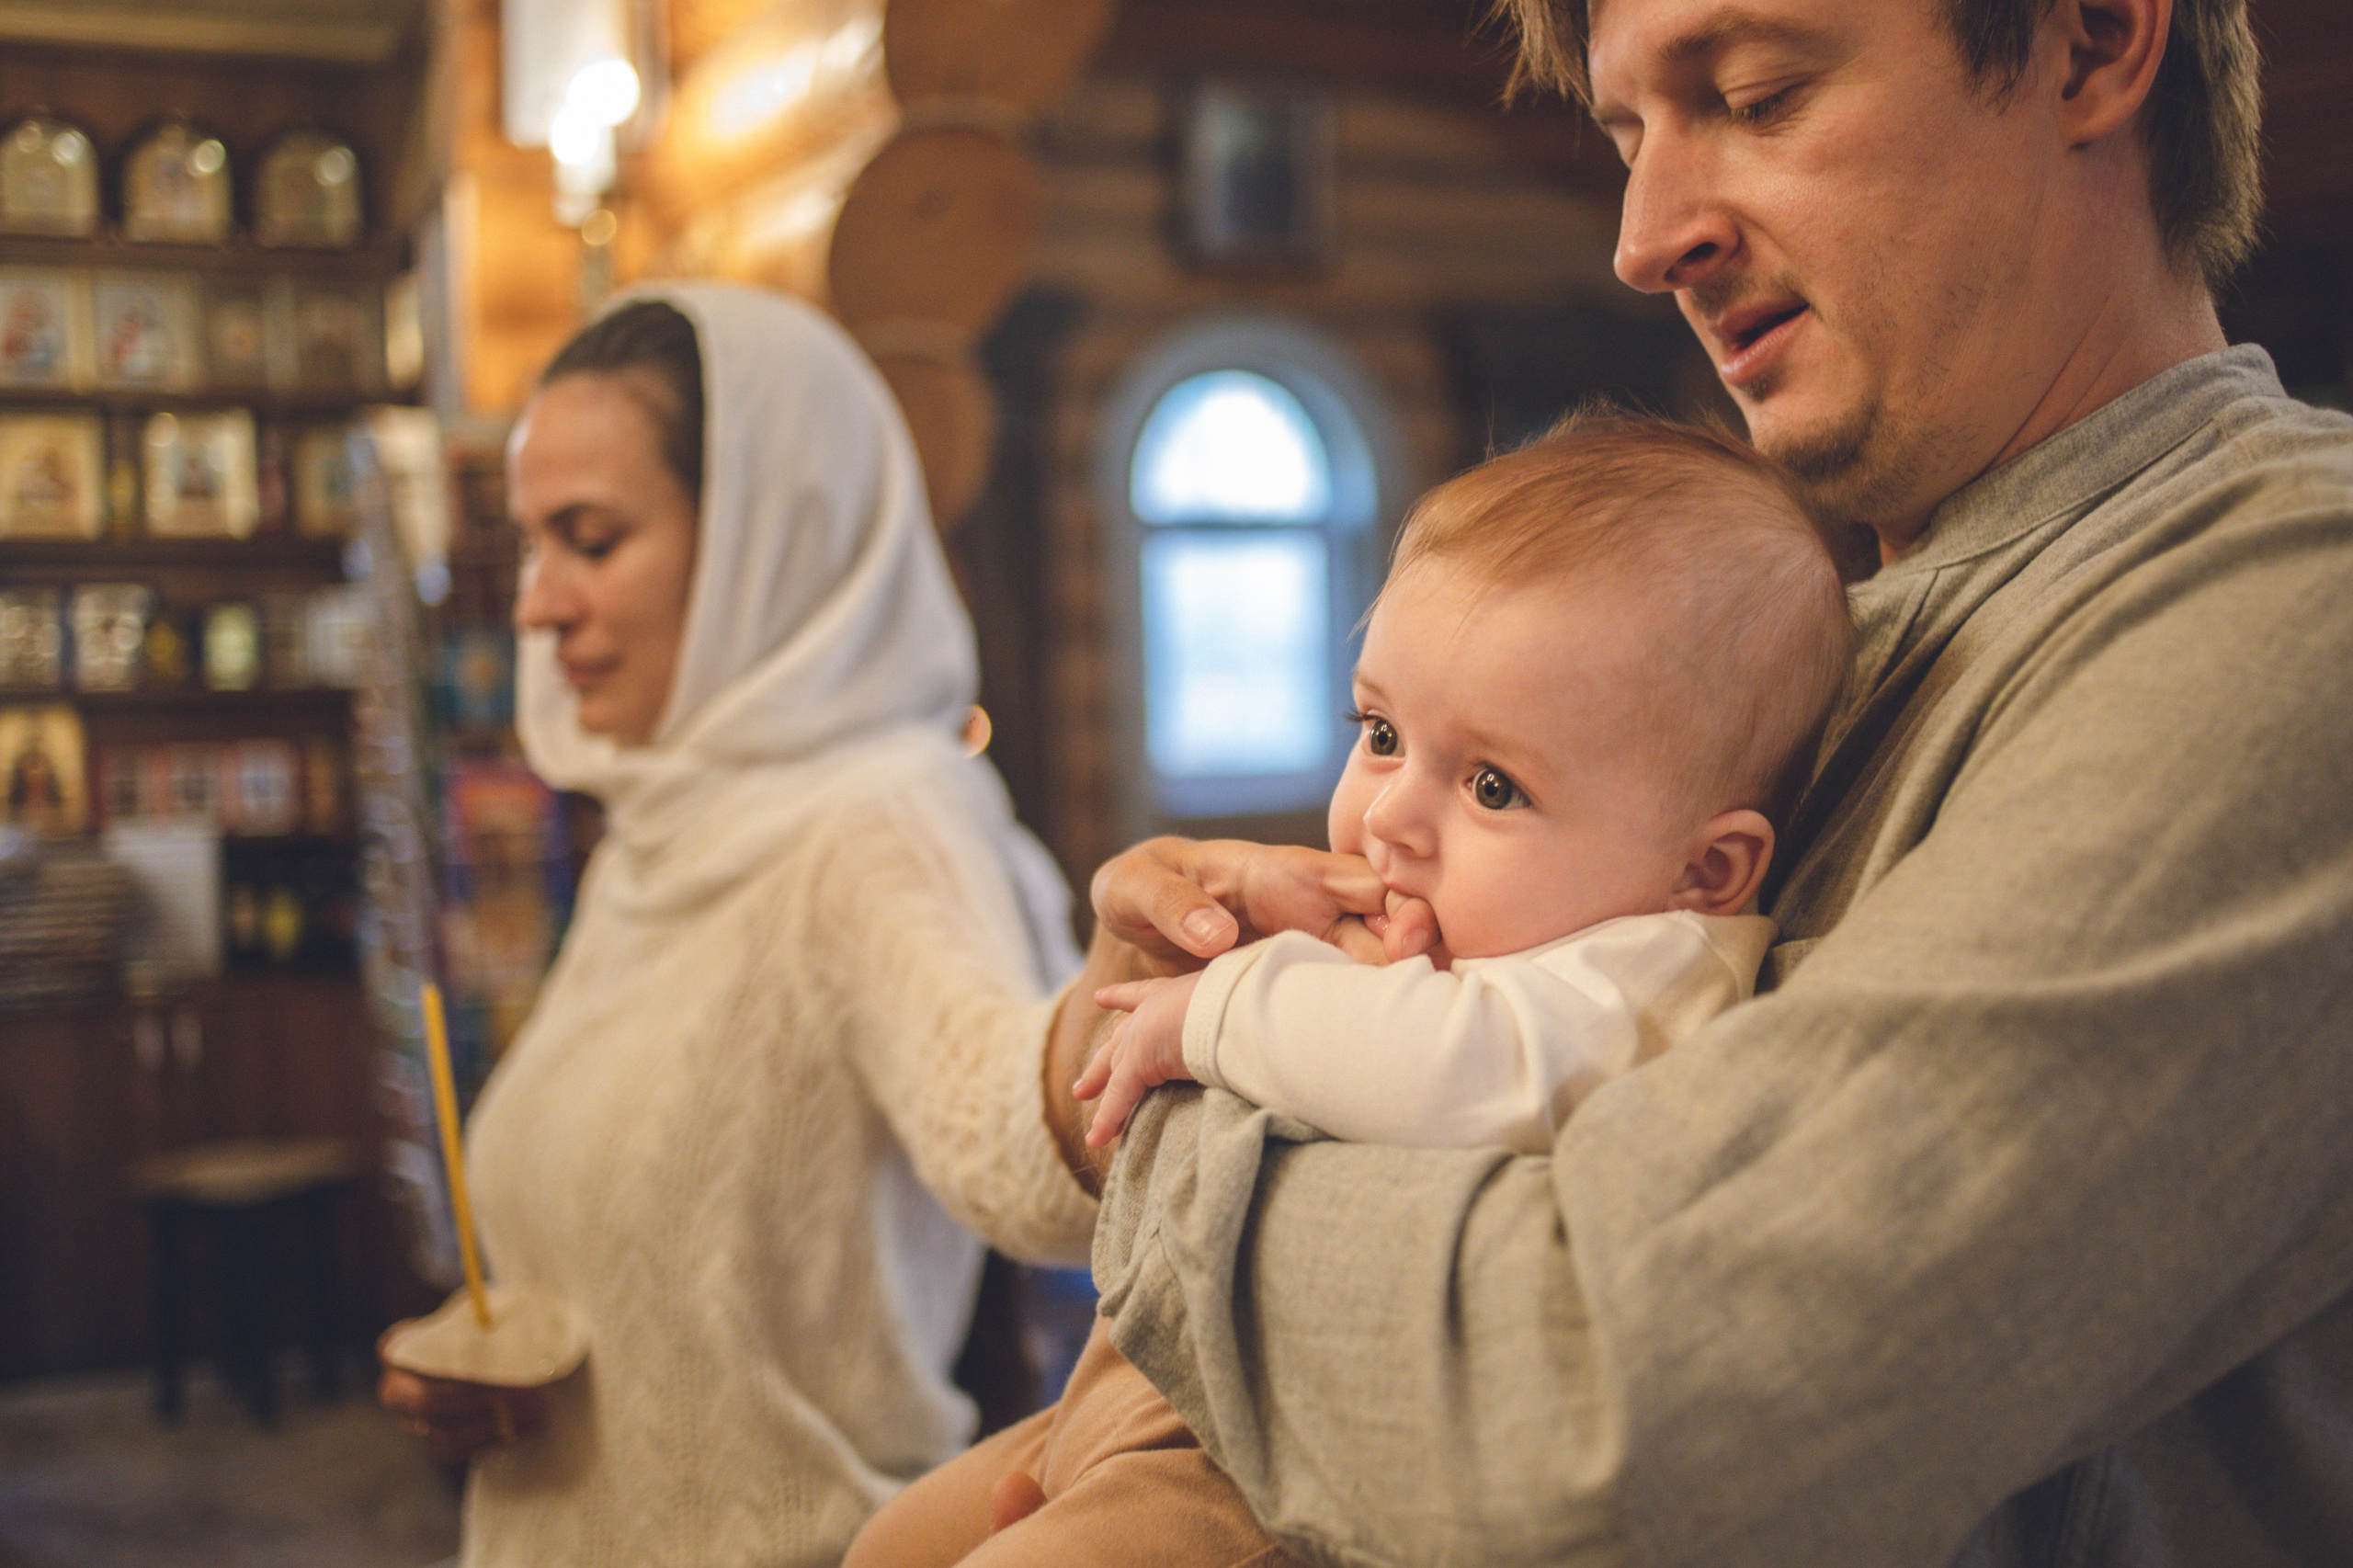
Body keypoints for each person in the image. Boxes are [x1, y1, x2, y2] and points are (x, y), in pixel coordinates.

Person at [1047, 0, 2353, 1563]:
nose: (1644, 235)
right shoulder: (1803, 657)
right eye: (1626, 137)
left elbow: (1615, 1413)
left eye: (1756, 94)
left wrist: (1180, 1119)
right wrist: (1189, 969)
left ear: (2088, 46)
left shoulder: (2284, 605)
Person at [846, 415, 1852, 1567]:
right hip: (1167, 1375)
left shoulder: (1658, 964)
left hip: (1279, 1461)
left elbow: (1468, 1063)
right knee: (893, 1542)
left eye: (1490, 784)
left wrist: (1219, 1009)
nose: (1387, 816)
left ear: (1705, 866)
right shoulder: (1500, 919)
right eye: (1379, 730)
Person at [376, 285, 1099, 1568]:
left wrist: (1140, 991)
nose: (536, 605)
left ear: (773, 536)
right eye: (533, 542)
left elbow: (1014, 1144)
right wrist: (504, 1357)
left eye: (589, 540)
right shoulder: (666, 820)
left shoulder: (879, 823)